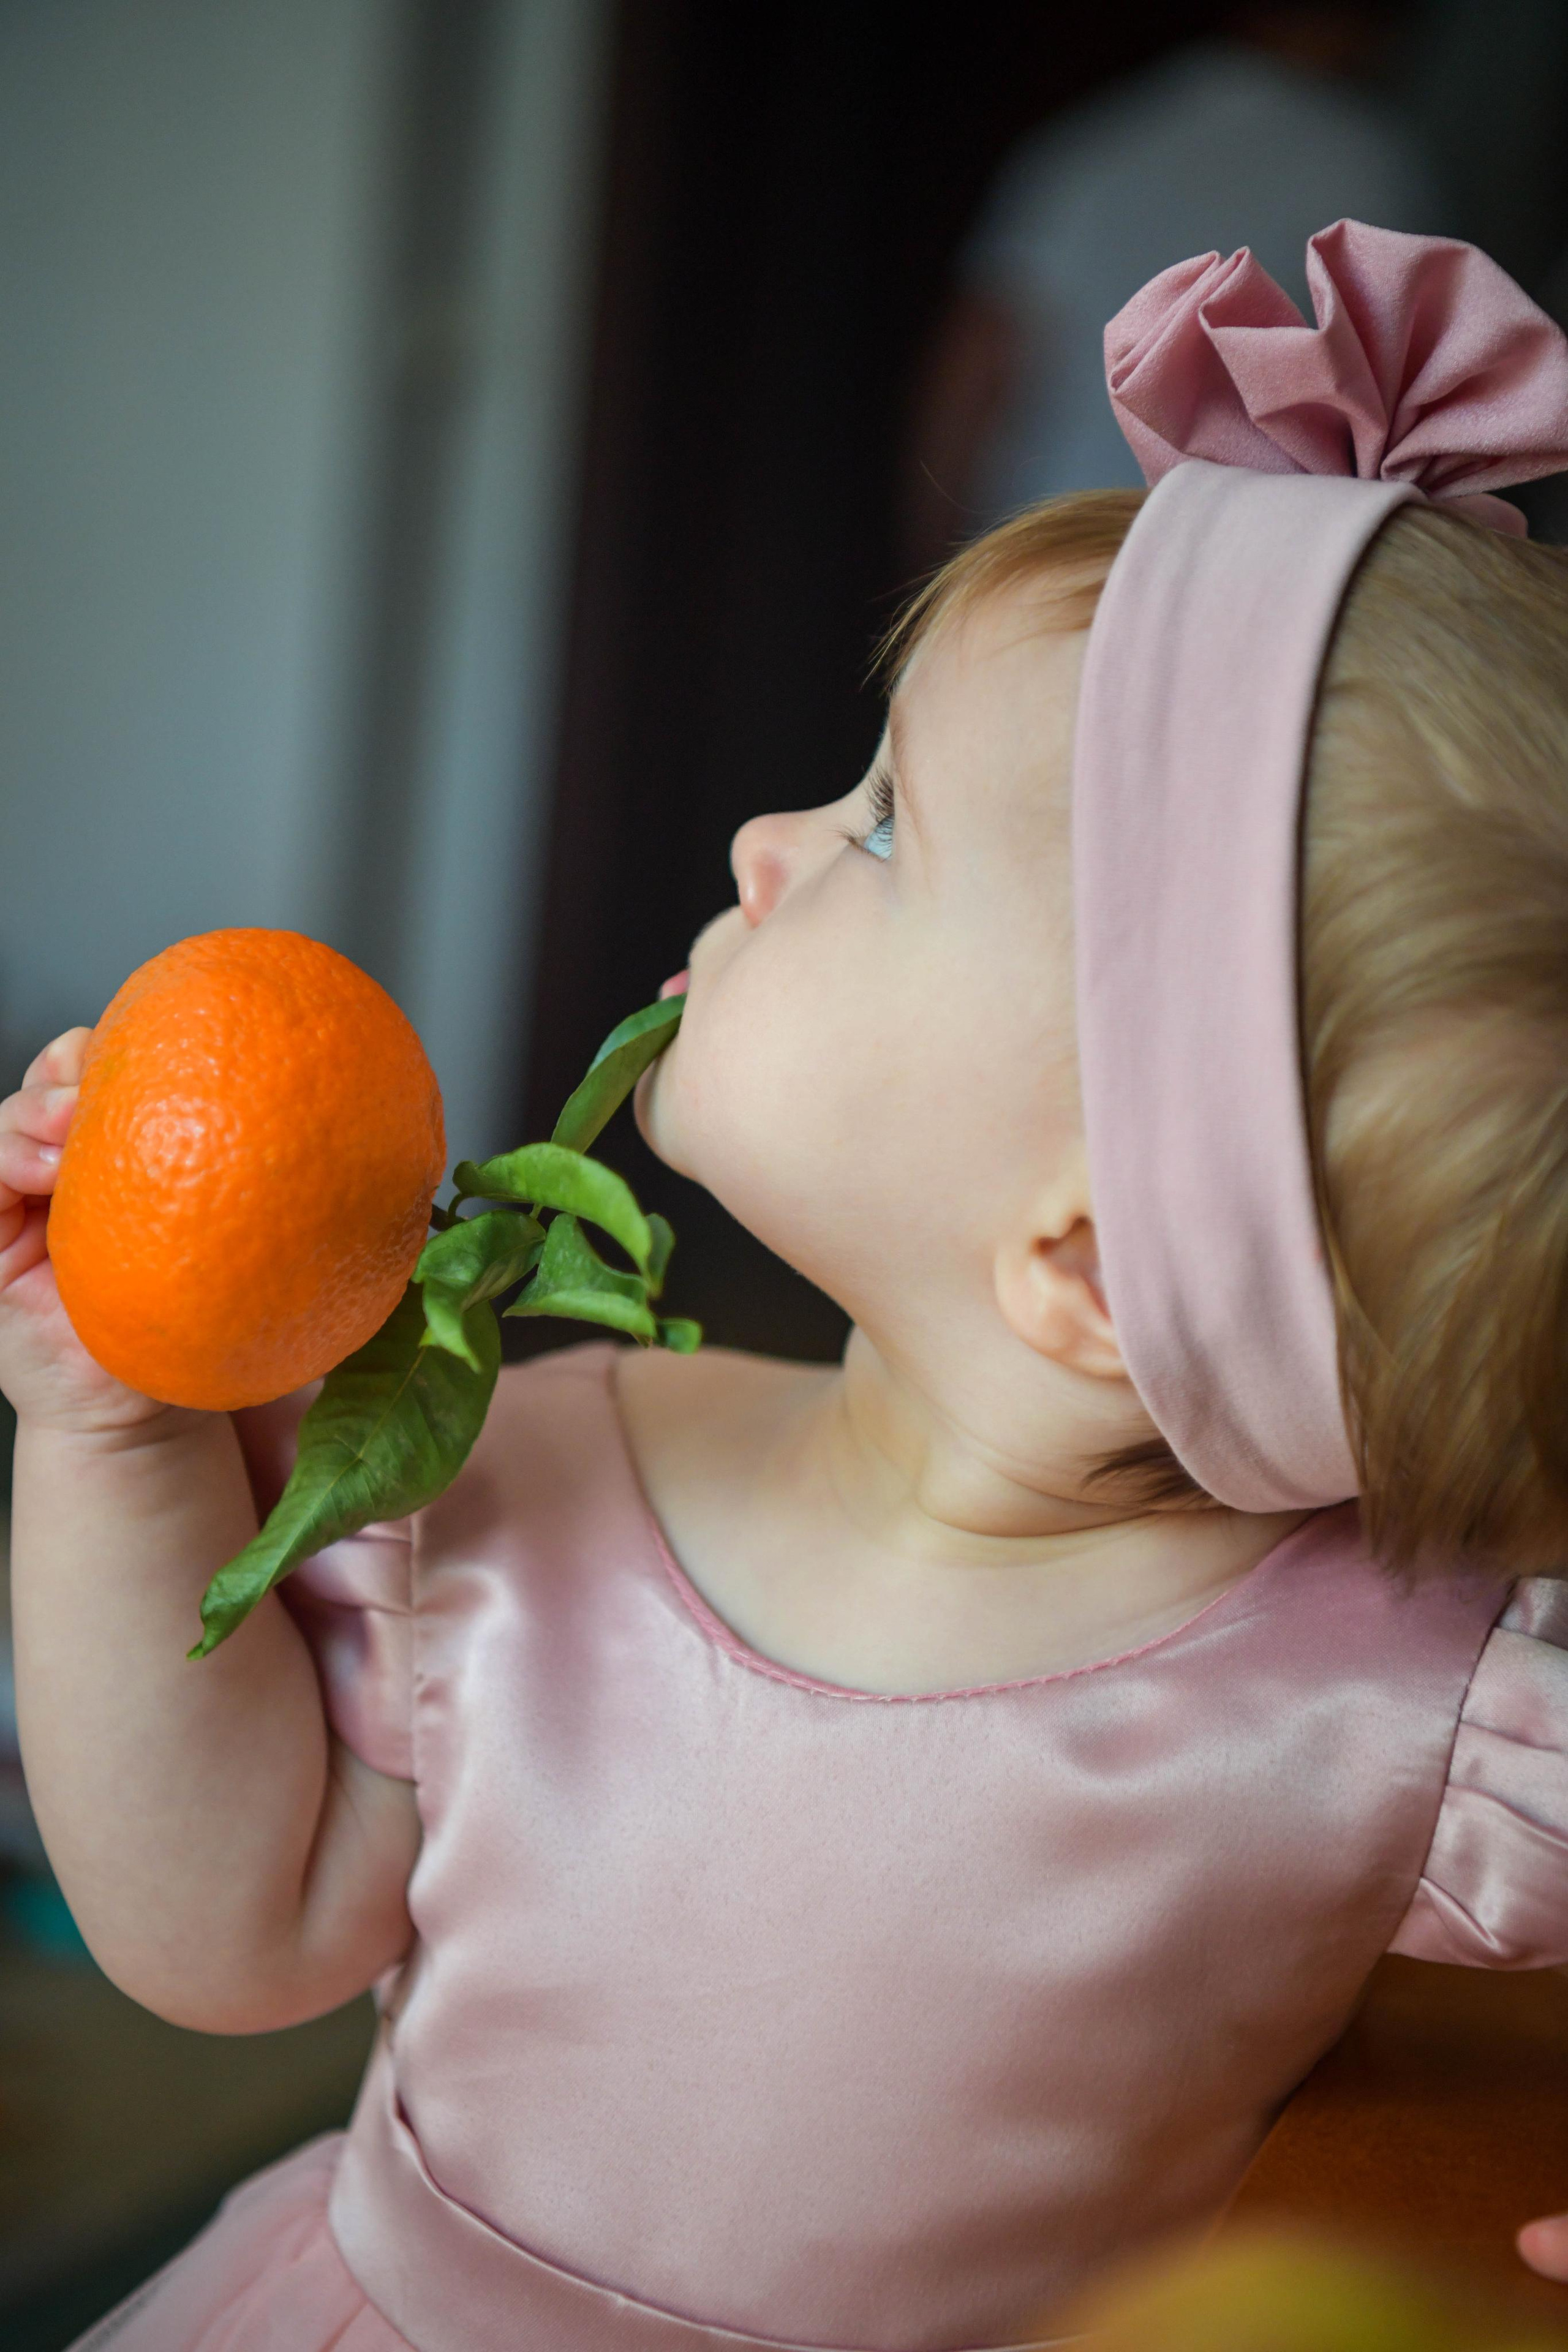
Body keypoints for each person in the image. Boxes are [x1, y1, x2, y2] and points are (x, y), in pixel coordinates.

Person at [6, 221, 1568, 2350]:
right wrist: (112, 1421)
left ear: (1091, 1262)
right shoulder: (543, 1470)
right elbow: (224, 1928)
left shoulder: (1411, 1719)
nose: (765, 837)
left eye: (887, 829)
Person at [905, 4, 1446, 567]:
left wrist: (938, 570)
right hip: (1236, 569)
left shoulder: (1091, 148)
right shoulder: (1369, 167)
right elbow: (1407, 414)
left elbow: (974, 369)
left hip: (1047, 552)